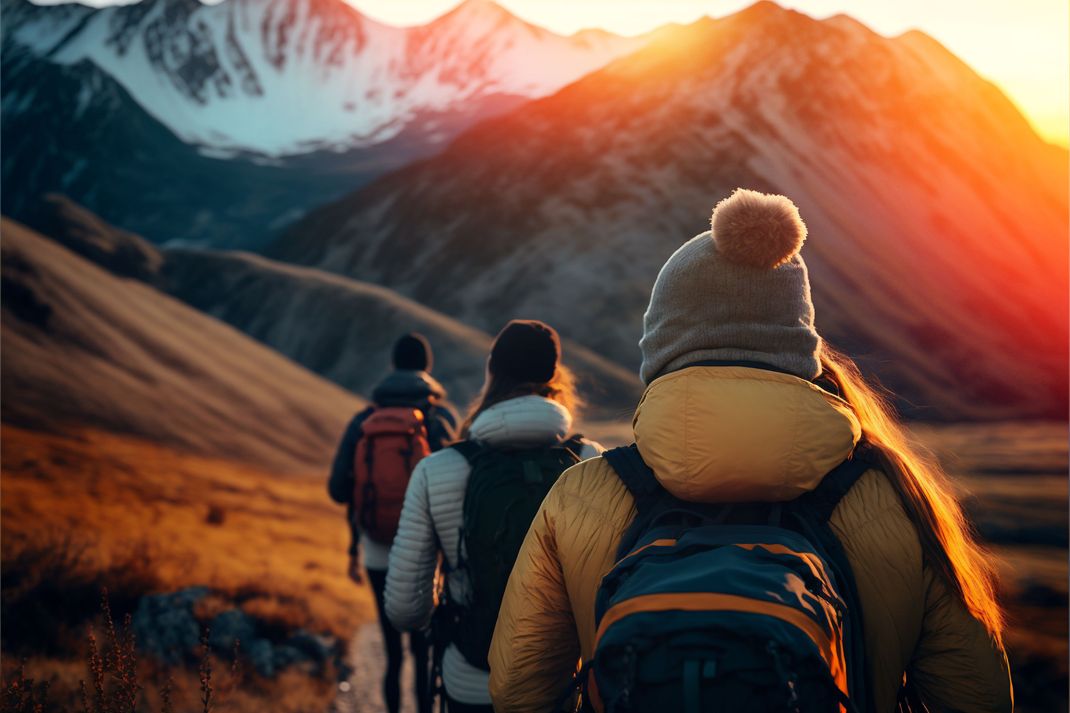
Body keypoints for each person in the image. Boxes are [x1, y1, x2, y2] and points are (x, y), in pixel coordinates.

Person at [488, 189, 1013, 712]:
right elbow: (976, 695)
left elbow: (518, 690)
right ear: (798, 338)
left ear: (663, 342)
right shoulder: (893, 497)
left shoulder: (582, 492)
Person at [384, 320, 604, 713]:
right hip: (559, 685)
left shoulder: (439, 470)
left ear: (492, 371)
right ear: (553, 376)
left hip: (470, 682)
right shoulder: (589, 463)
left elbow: (404, 610)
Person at [328, 333, 458, 713]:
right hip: (428, 552)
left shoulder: (363, 420)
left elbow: (337, 489)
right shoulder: (438, 419)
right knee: (423, 650)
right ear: (427, 369)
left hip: (376, 550)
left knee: (391, 650)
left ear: (392, 367)